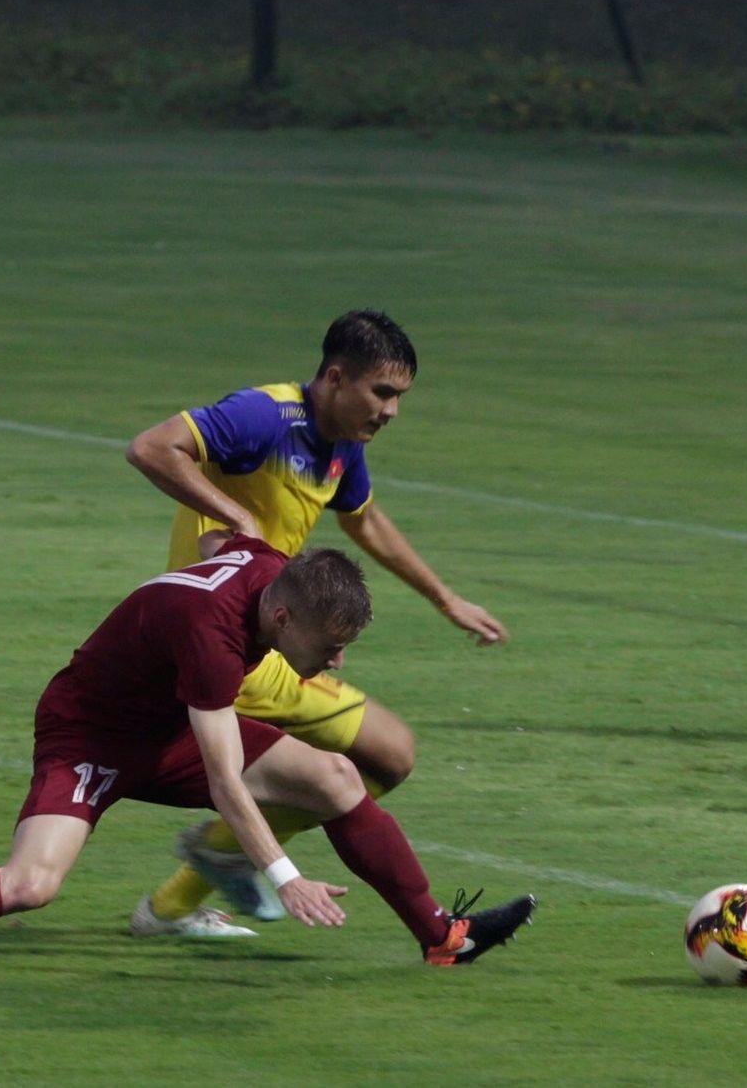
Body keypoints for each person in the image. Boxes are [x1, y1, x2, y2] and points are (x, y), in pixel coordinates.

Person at [0, 544, 535, 979]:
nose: (334, 662)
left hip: (162, 727)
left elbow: (222, 543)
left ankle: (442, 935)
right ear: (282, 614)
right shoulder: (213, 638)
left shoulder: (271, 574)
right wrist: (286, 877)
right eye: (329, 645)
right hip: (89, 734)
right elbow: (224, 781)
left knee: (333, 774)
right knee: (29, 885)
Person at [120, 309, 510, 933]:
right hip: (222, 646)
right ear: (334, 378)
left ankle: (177, 899)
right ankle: (217, 860)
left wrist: (444, 599)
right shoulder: (264, 417)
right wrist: (237, 519)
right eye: (382, 392)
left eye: (400, 397)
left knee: (383, 758)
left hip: (272, 642)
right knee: (367, 762)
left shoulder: (342, 441)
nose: (391, 411)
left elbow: (364, 520)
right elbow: (150, 448)